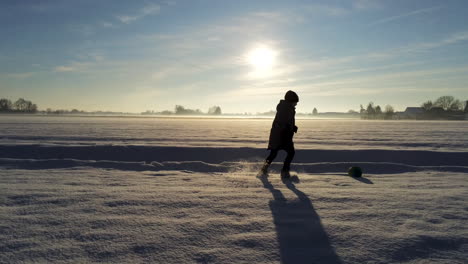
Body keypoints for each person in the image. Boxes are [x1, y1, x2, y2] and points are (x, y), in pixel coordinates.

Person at [260, 90, 299, 178]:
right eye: (295, 102)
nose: (296, 104)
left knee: (274, 153)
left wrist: (293, 126)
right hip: (281, 135)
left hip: (280, 134)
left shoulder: (287, 108)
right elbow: (282, 122)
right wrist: (287, 129)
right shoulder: (286, 109)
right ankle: (284, 172)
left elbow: (286, 121)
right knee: (290, 153)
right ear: (290, 101)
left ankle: (263, 170)